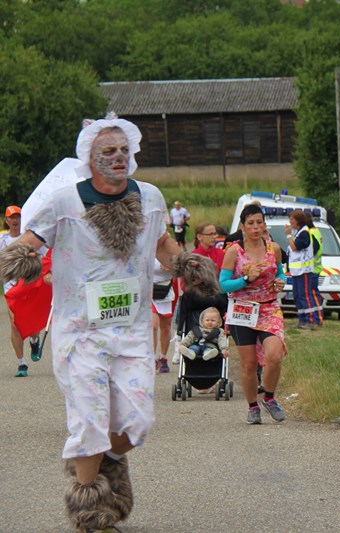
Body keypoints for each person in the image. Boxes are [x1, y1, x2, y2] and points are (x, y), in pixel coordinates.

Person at [0, 115, 183, 532]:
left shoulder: (150, 197)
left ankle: (104, 463)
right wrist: (16, 260)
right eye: (108, 152)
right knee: (90, 419)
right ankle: (90, 512)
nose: (119, 158)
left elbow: (161, 245)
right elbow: (31, 242)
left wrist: (189, 266)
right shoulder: (64, 202)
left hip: (133, 331)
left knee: (136, 424)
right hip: (80, 332)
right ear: (90, 158)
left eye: (124, 151)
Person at [220, 203, 287, 424]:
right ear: (242, 227)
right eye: (251, 223)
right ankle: (252, 406)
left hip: (269, 307)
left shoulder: (273, 248)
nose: (256, 227)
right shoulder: (233, 251)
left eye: (259, 222)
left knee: (274, 356)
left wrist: (280, 282)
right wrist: (246, 279)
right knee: (248, 364)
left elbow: (280, 273)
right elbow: (223, 285)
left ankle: (269, 397)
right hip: (243, 309)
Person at [1, 205, 44, 376]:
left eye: (18, 217)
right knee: (14, 324)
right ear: (6, 220)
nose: (15, 220)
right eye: (11, 217)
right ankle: (21, 364)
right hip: (11, 288)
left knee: (32, 323)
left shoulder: (31, 237)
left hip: (30, 284)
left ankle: (34, 340)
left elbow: (44, 257)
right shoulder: (2, 240)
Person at [284, 209, 316, 329]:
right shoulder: (299, 232)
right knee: (297, 295)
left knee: (305, 295)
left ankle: (311, 321)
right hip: (297, 271)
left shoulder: (304, 233)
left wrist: (288, 235)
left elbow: (294, 247)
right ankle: (301, 320)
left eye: (291, 219)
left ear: (298, 221)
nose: (290, 222)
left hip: (304, 271)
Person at [152, 258, 179, 373]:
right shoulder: (144, 246)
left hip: (166, 289)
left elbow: (181, 270)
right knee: (152, 326)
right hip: (148, 289)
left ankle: (163, 357)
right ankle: (152, 359)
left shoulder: (167, 247)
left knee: (166, 327)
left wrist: (171, 269)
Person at [305, 212, 324, 327]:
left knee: (313, 294)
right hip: (313, 268)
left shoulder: (311, 233)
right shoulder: (316, 231)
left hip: (313, 269)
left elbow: (314, 250)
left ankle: (318, 318)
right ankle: (316, 317)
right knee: (313, 294)